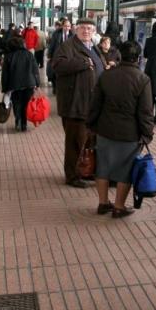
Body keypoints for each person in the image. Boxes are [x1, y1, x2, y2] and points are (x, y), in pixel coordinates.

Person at [87, 40, 154, 218]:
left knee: (103, 166)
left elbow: (95, 104)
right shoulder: (143, 79)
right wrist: (147, 133)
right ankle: (118, 206)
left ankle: (102, 203)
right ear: (138, 58)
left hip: (105, 128)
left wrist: (91, 125)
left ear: (120, 56)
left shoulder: (106, 76)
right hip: (129, 133)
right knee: (125, 170)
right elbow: (146, 111)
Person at [51, 17, 104, 188]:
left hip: (91, 104)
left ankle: (85, 171)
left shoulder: (93, 47)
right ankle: (72, 176)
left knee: (88, 141)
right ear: (75, 29)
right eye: (82, 28)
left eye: (89, 28)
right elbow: (56, 65)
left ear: (94, 31)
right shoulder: (68, 46)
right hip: (75, 104)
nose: (86, 31)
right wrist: (82, 63)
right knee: (75, 142)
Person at [1, 35, 40, 131]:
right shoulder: (29, 54)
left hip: (14, 84)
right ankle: (24, 124)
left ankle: (17, 121)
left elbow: (5, 74)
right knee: (26, 104)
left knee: (16, 103)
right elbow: (35, 70)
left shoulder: (8, 56)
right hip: (29, 84)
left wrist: (5, 88)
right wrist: (37, 83)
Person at [47, 18, 71, 86]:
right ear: (62, 26)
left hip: (68, 56)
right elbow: (52, 45)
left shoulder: (73, 35)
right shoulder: (56, 34)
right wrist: (49, 55)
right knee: (56, 71)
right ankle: (55, 86)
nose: (67, 28)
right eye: (65, 26)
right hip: (57, 55)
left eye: (68, 26)